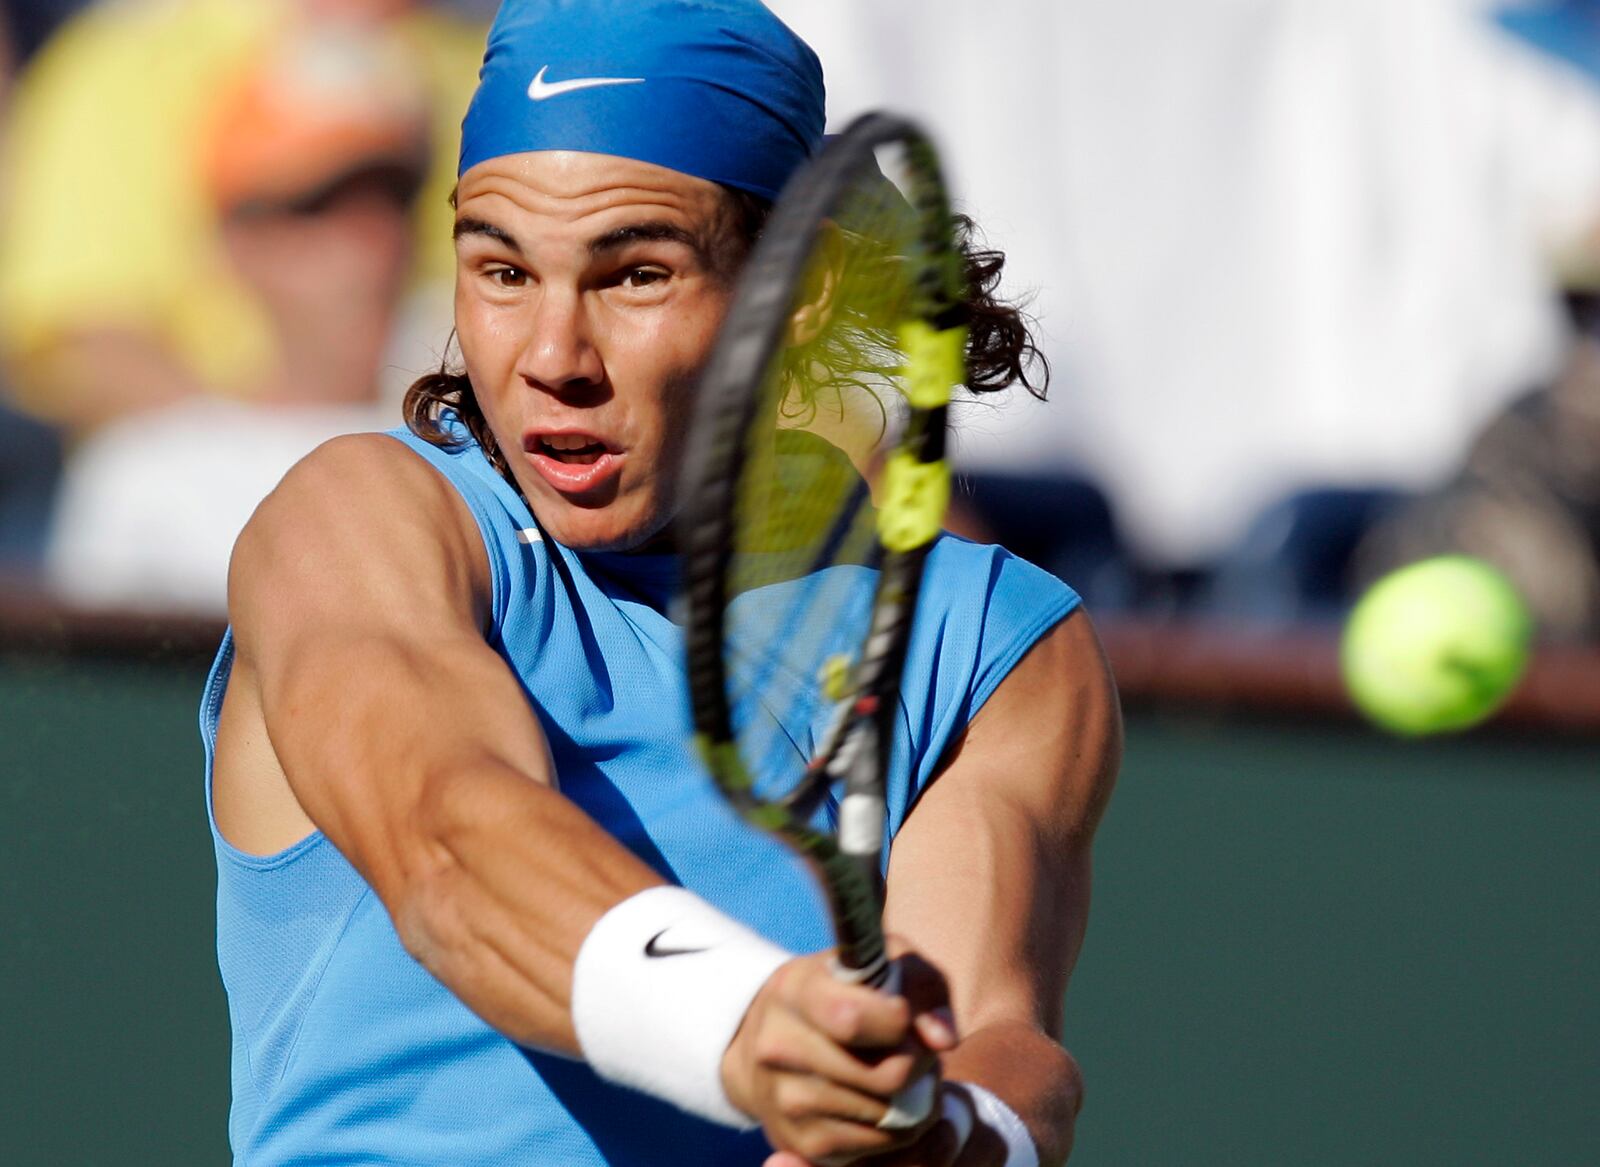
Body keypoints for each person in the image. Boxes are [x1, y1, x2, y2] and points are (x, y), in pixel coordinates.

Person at [204, 2, 1121, 1164]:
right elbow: (451, 848)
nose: (549, 357)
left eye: (634, 275)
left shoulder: (987, 641)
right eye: (498, 269)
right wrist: (741, 1026)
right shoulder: (359, 521)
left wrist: (952, 1131)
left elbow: (998, 1030)